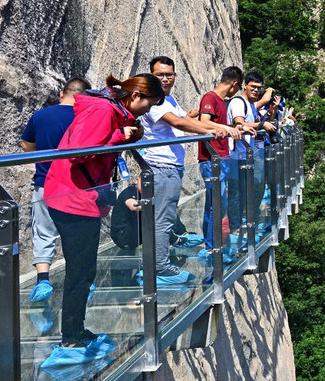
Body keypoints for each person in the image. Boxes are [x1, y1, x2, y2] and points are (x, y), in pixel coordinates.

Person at [42, 74, 162, 356]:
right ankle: (70, 338)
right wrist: (120, 136)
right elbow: (78, 153)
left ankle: (76, 331)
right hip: (73, 198)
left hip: (79, 197)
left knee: (84, 271)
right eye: (149, 104)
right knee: (80, 272)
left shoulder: (112, 111)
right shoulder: (103, 110)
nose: (148, 110)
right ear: (135, 96)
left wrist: (130, 132)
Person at [140, 56, 238, 285]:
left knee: (164, 218)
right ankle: (159, 269)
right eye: (160, 74)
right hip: (161, 166)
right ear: (151, 76)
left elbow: (186, 119)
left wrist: (220, 127)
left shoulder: (168, 99)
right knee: (162, 220)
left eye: (169, 74)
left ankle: (157, 265)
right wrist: (212, 130)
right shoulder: (154, 101)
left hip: (171, 167)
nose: (165, 78)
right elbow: (178, 123)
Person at [20, 78, 91, 302]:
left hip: (46, 183)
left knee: (43, 232)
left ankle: (43, 280)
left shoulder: (41, 116)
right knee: (78, 234)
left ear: (62, 93)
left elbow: (26, 146)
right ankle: (82, 281)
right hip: (77, 185)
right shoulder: (87, 116)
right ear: (85, 97)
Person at [197, 66, 249, 253]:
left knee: (217, 204)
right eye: (239, 87)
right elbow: (203, 122)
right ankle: (213, 248)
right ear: (234, 83)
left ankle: (212, 244)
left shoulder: (221, 101)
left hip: (221, 158)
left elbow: (217, 124)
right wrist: (228, 128)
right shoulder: (210, 98)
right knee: (216, 205)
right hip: (211, 159)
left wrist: (237, 128)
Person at [227, 71, 278, 233]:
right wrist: (262, 125)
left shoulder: (249, 104)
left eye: (259, 87)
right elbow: (239, 124)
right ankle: (235, 227)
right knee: (236, 193)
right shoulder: (238, 102)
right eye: (253, 86)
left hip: (245, 154)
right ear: (245, 85)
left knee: (244, 191)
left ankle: (242, 223)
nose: (256, 90)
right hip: (235, 155)